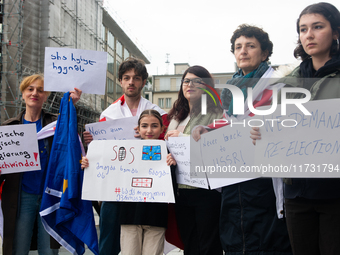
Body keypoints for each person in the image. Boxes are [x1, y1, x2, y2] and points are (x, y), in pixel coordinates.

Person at [194, 25, 292, 254]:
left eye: (250, 46)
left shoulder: (279, 86)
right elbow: (230, 123)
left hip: (264, 181)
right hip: (234, 179)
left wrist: (270, 130)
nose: (243, 51)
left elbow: (292, 125)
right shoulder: (231, 91)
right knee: (236, 240)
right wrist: (207, 129)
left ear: (265, 53)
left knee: (268, 242)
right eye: (238, 47)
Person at [251, 3, 340, 255]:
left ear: (335, 32)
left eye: (318, 27)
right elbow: (272, 125)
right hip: (296, 193)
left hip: (334, 192)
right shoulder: (285, 82)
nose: (309, 35)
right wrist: (261, 132)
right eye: (303, 29)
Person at [83, 57, 168, 255]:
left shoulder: (157, 113)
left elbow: (166, 147)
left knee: (140, 242)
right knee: (109, 239)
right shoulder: (108, 113)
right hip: (114, 185)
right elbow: (101, 152)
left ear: (143, 82)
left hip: (145, 185)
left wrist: (150, 137)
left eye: (136, 78)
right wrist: (92, 146)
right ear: (120, 81)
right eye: (127, 78)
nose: (131, 82)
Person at [0, 74, 81, 254]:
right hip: (22, 197)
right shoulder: (9, 128)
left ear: (46, 95)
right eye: (30, 89)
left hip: (50, 197)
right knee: (17, 249)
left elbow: (70, 137)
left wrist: (71, 104)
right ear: (22, 94)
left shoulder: (56, 124)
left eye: (40, 90)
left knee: (49, 250)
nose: (35, 93)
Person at [82, 109, 176, 255]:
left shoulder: (169, 151)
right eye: (144, 126)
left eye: (154, 126)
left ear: (163, 128)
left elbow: (175, 183)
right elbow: (108, 168)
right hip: (129, 217)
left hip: (156, 217)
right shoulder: (127, 150)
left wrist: (173, 165)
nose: (149, 130)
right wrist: (89, 164)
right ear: (137, 129)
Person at [165, 65, 223, 255]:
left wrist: (183, 137)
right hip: (181, 191)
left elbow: (218, 145)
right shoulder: (176, 116)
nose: (190, 85)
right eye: (186, 81)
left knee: (209, 245)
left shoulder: (217, 112)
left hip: (207, 190)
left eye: (197, 81)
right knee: (189, 245)